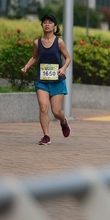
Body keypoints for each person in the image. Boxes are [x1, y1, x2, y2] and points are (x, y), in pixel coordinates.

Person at [21, 14, 72, 145]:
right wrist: (27, 66)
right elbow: (35, 57)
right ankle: (46, 136)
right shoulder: (37, 43)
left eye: (50, 22)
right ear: (42, 25)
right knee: (43, 107)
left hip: (57, 81)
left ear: (54, 26)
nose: (47, 24)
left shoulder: (59, 42)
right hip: (42, 80)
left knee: (56, 111)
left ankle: (63, 121)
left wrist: (63, 68)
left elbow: (68, 58)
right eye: (45, 22)